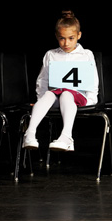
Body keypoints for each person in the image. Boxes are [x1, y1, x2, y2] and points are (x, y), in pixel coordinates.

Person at [22, 10, 98, 152]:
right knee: (50, 94)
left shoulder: (86, 54)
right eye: (62, 38)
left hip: (77, 96)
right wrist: (41, 99)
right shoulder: (51, 54)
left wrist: (91, 99)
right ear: (57, 36)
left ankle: (66, 136)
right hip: (56, 96)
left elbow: (93, 79)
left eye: (71, 38)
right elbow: (43, 80)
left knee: (67, 93)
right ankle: (30, 133)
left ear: (79, 36)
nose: (66, 43)